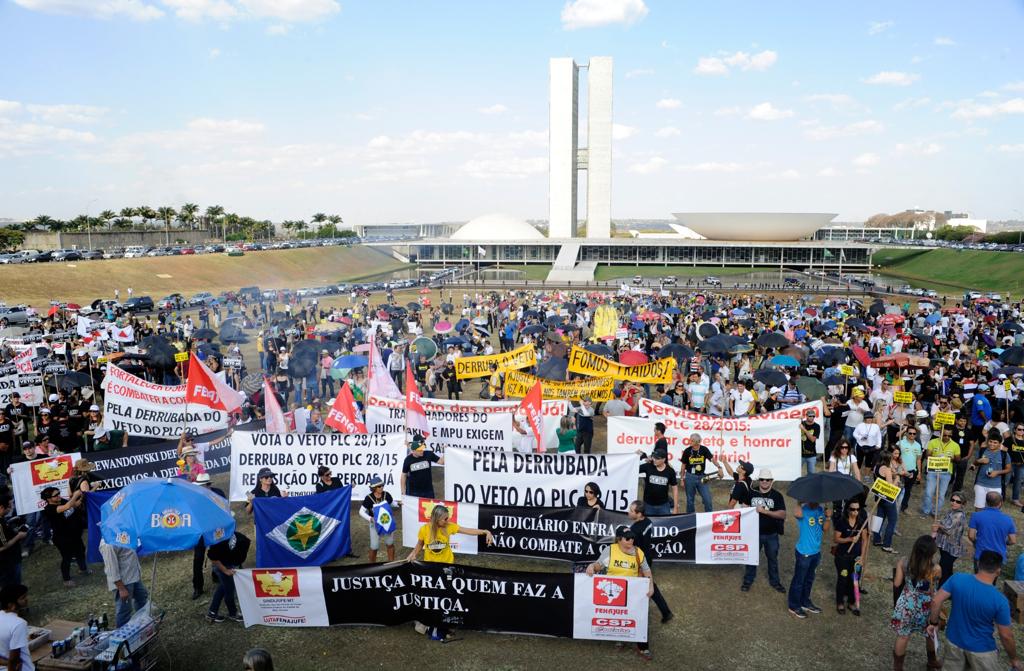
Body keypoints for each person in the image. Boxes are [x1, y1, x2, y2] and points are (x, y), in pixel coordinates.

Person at [405, 504, 494, 642]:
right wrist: (413, 554)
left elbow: (467, 530)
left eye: (448, 518)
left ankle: (444, 623)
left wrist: (485, 531)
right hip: (430, 568)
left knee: (447, 596)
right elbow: (419, 544)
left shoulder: (449, 527)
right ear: (436, 519)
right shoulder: (424, 529)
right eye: (445, 519)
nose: (447, 521)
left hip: (447, 568)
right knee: (432, 597)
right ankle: (427, 622)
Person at [926, 550, 1021, 670]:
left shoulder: (957, 579)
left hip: (954, 643)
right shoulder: (1000, 600)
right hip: (982, 651)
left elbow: (936, 601)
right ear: (998, 571)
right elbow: (1006, 635)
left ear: (978, 564)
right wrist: (1014, 658)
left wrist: (934, 623)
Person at [585, 525, 655, 660]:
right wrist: (592, 566)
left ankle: (643, 647)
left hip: (633, 592)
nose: (631, 541)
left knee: (641, 617)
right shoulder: (610, 551)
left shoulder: (639, 552)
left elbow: (646, 571)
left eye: (632, 538)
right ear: (619, 539)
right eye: (627, 538)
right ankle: (620, 639)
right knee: (617, 616)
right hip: (614, 591)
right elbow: (600, 565)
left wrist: (650, 586)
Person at [891, 535, 942, 670]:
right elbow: (933, 590)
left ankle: (898, 667)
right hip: (925, 606)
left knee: (903, 636)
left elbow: (897, 583)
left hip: (906, 604)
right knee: (930, 634)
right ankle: (932, 661)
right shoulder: (936, 568)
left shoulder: (903, 562)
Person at [627, 500, 673, 624]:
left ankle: (662, 612)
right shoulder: (648, 521)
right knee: (649, 584)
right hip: (647, 557)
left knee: (646, 586)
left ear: (639, 513)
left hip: (640, 561)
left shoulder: (635, 530)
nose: (628, 512)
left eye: (631, 511)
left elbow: (629, 548)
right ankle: (666, 612)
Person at [742, 468, 787, 594]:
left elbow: (782, 514)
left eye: (767, 480)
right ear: (759, 480)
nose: (765, 482)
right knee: (751, 558)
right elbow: (744, 509)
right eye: (762, 479)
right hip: (753, 534)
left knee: (772, 559)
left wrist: (765, 511)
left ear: (772, 481)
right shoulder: (751, 493)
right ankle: (748, 580)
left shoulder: (777, 496)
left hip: (771, 534)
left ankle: (775, 582)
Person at [40, 487, 87, 587]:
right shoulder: (49, 509)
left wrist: (82, 496)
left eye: (59, 493)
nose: (59, 496)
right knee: (67, 558)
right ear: (48, 499)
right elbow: (67, 506)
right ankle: (66, 579)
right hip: (62, 538)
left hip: (74, 534)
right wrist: (75, 495)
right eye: (55, 495)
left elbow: (75, 504)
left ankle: (83, 569)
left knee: (81, 551)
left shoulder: (62, 501)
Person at [788, 499, 827, 619]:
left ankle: (805, 602)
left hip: (816, 552)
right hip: (804, 552)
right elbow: (797, 514)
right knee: (799, 580)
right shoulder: (803, 510)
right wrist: (799, 502)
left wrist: (829, 517)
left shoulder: (821, 510)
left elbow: (825, 529)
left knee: (809, 579)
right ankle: (794, 606)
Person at [99, 540, 149, 628]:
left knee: (142, 597)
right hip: (123, 582)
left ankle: (142, 624)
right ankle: (123, 636)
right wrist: (121, 588)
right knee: (124, 610)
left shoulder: (121, 535)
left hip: (133, 577)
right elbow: (111, 569)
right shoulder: (108, 544)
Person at [192, 473, 226, 600]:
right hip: (201, 530)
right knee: (198, 557)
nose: (201, 488)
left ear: (208, 485)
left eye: (203, 485)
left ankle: (216, 575)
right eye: (199, 486)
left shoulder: (218, 493)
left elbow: (224, 509)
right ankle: (197, 587)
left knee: (217, 553)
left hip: (215, 527)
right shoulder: (195, 497)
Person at [206, 531, 251, 623]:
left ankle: (212, 612)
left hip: (229, 563)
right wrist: (225, 570)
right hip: (223, 566)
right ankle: (233, 613)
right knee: (229, 590)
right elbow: (213, 558)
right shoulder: (217, 540)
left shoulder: (238, 538)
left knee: (224, 586)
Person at [967, 491, 1017, 570]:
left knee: (978, 580)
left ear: (986, 502)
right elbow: (1013, 540)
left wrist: (976, 542)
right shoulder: (1008, 519)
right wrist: (1005, 542)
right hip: (998, 556)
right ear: (1000, 503)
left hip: (981, 554)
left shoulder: (976, 515)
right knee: (992, 580)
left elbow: (971, 535)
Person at [832, 500, 866, 615]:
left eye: (857, 509)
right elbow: (836, 539)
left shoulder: (861, 523)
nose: (855, 512)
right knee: (843, 579)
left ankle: (852, 602)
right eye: (852, 509)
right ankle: (840, 602)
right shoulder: (841, 522)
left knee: (855, 580)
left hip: (856, 558)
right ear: (847, 510)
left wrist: (862, 556)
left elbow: (865, 540)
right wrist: (849, 539)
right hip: (843, 557)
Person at [679, 433, 723, 513]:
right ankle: (690, 517)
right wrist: (682, 479)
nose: (690, 441)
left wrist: (719, 467)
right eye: (690, 440)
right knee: (690, 500)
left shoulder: (704, 449)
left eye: (692, 440)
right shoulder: (687, 451)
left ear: (697, 442)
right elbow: (683, 466)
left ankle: (709, 517)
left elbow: (712, 459)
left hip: (702, 477)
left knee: (707, 499)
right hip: (690, 477)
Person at [922, 424, 959, 517]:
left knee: (941, 495)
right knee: (928, 493)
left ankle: (935, 512)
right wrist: (936, 457)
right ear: (940, 433)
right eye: (944, 435)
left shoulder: (955, 445)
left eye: (949, 435)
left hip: (946, 473)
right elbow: (927, 455)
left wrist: (952, 458)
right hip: (932, 471)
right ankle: (926, 511)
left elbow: (958, 459)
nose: (946, 437)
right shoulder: (933, 442)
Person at [932, 491, 968, 588]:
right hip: (945, 545)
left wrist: (938, 525)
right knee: (947, 568)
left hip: (952, 548)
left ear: (963, 504)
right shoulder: (951, 511)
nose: (954, 503)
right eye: (952, 500)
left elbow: (948, 528)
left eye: (958, 502)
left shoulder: (959, 515)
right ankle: (949, 589)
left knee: (944, 568)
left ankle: (942, 589)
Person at [873, 448, 905, 553]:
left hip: (879, 496)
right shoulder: (886, 469)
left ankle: (876, 539)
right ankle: (887, 544)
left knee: (879, 518)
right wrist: (897, 478)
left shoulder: (876, 467)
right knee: (892, 520)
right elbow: (890, 486)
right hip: (887, 498)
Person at [359, 476, 397, 562]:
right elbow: (361, 511)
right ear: (374, 488)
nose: (382, 487)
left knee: (390, 543)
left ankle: (392, 564)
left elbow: (392, 503)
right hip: (375, 524)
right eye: (379, 486)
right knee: (374, 546)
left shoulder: (386, 494)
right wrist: (370, 518)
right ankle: (372, 567)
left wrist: (398, 504)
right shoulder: (369, 498)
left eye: (382, 485)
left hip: (387, 522)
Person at [973, 431, 1010, 510]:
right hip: (980, 483)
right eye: (990, 441)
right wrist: (979, 461)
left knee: (994, 509)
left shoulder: (1004, 454)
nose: (992, 444)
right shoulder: (982, 450)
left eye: (995, 442)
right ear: (987, 441)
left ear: (1000, 444)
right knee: (978, 508)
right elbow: (974, 463)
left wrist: (997, 472)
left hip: (996, 485)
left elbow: (1008, 469)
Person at [638, 447, 678, 515]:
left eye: (657, 458)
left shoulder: (670, 471)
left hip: (664, 505)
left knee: (665, 524)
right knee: (648, 525)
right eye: (654, 457)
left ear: (663, 459)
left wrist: (675, 507)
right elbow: (633, 468)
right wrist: (636, 457)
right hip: (648, 505)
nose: (654, 460)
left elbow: (675, 488)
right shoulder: (648, 466)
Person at [0, 584, 31, 671]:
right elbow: (14, 660)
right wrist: (10, 664)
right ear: (11, 605)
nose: (26, 599)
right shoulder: (19, 624)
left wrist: (6, 663)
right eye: (22, 598)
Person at [0, 497, 26, 589]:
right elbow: (2, 546)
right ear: (2, 507)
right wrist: (19, 536)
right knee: (11, 586)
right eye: (9, 506)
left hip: (10, 559)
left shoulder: (3, 519)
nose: (11, 508)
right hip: (7, 561)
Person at [799, 409, 821, 475]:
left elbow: (812, 439)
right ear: (806, 416)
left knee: (811, 474)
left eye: (813, 416)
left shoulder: (817, 426)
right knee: (795, 473)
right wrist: (797, 420)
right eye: (810, 416)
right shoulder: (801, 423)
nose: (812, 417)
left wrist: (804, 430)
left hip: (811, 455)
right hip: (800, 454)